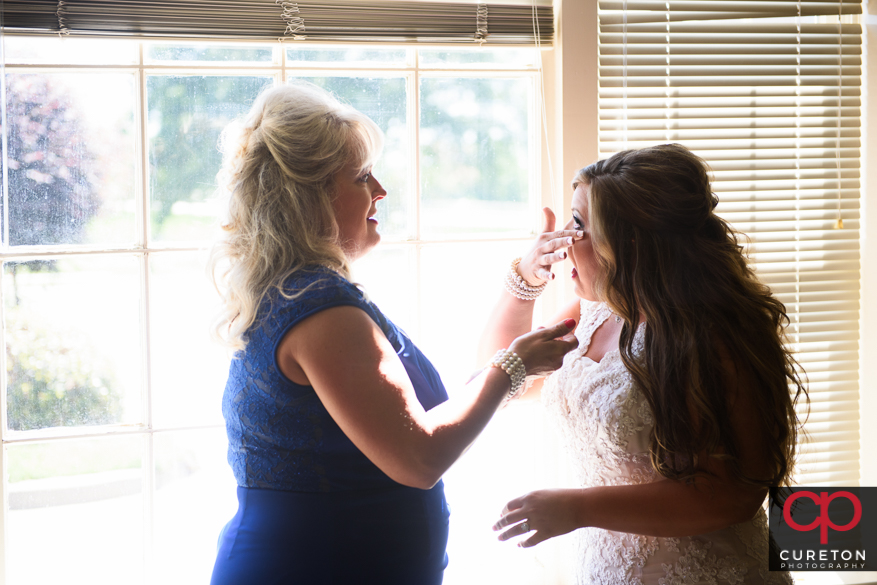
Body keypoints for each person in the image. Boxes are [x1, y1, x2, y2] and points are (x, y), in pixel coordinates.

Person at [207, 82, 580, 585]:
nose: (380, 190)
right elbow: (419, 456)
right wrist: (512, 367)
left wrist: (524, 287)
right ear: (309, 198)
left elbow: (422, 419)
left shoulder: (301, 293)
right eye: (361, 176)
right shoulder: (319, 310)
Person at [484, 144, 807, 584]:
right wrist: (525, 279)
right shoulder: (597, 311)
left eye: (579, 224)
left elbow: (734, 495)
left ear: (627, 242)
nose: (563, 238)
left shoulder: (714, 336)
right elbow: (503, 377)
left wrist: (577, 507)